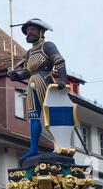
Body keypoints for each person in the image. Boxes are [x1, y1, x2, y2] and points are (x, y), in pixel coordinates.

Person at [7, 18, 68, 162]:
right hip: (32, 83)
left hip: (45, 80)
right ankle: (33, 148)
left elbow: (59, 62)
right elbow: (26, 72)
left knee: (49, 115)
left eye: (32, 30)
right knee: (34, 117)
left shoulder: (47, 46)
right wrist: (16, 76)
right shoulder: (28, 53)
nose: (29, 33)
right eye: (27, 31)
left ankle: (58, 145)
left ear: (41, 32)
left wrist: (63, 80)